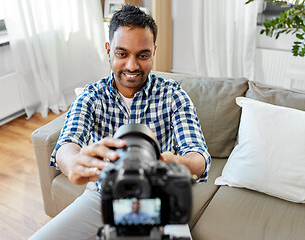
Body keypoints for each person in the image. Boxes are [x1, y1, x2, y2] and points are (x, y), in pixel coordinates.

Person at [30, 4, 211, 240]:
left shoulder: (173, 95)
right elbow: (67, 143)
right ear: (108, 50)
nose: (132, 66)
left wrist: (173, 163)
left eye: (143, 55)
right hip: (104, 194)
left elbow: (199, 155)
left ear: (154, 52)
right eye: (122, 53)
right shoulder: (91, 96)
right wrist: (74, 162)